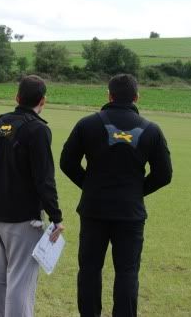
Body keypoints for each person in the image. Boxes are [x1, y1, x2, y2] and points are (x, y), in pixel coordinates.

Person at [60, 74, 172, 317]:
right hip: (130, 214)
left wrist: (89, 186)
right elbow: (164, 175)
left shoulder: (86, 124)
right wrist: (136, 192)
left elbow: (66, 163)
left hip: (94, 211)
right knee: (127, 272)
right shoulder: (152, 130)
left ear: (109, 95)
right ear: (136, 97)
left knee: (89, 270)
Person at [0, 75, 64, 317]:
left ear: (17, 98)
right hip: (24, 218)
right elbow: (44, 178)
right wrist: (56, 216)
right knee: (21, 280)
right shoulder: (38, 129)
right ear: (43, 100)